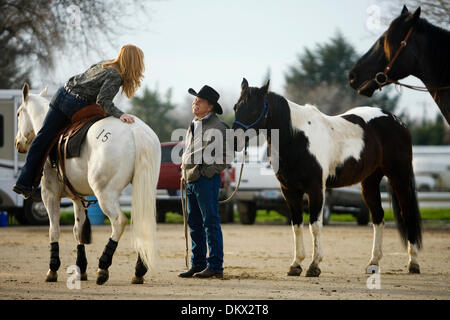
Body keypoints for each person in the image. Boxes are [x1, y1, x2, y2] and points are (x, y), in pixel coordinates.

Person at [13, 44, 144, 200]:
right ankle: (40, 181)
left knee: (43, 137)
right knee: (57, 137)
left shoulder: (106, 63)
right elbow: (103, 100)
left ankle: (25, 183)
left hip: (64, 93)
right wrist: (120, 115)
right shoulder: (115, 76)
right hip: (75, 103)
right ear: (134, 62)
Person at [179, 85, 232, 279]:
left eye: (199, 101)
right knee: (194, 223)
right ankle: (198, 263)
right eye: (195, 100)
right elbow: (189, 151)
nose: (195, 103)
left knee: (210, 222)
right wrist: (184, 171)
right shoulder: (193, 124)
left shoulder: (219, 128)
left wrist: (206, 172)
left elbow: (226, 156)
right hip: (191, 179)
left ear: (210, 107)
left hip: (205, 180)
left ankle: (215, 266)